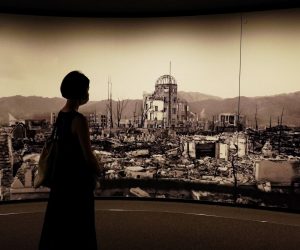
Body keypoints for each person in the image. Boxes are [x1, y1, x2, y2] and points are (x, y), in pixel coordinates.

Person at [39, 71, 103, 250]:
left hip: (61, 181)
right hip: (77, 184)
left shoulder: (61, 115)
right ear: (81, 92)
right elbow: (87, 155)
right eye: (87, 89)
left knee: (59, 229)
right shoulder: (78, 120)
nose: (88, 94)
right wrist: (99, 171)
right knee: (80, 229)